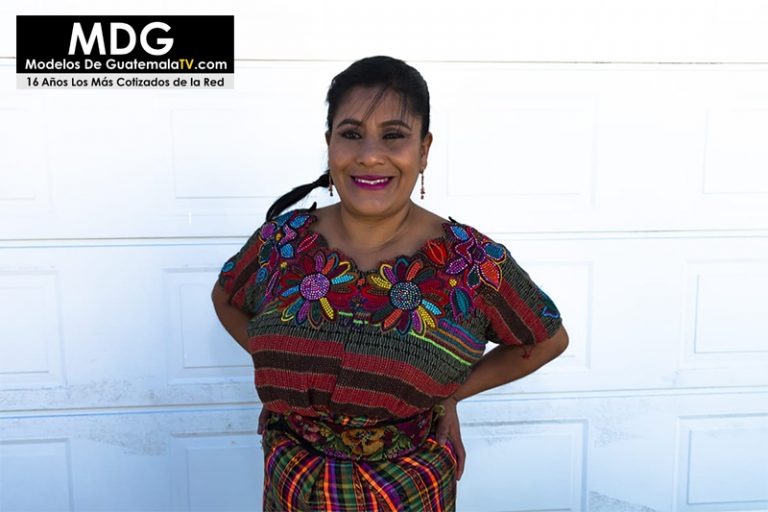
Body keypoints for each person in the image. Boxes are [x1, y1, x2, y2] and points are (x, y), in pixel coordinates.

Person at [211, 55, 568, 511]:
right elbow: (226, 297)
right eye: (351, 134)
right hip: (292, 484)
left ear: (424, 150)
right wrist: (283, 367)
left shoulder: (469, 262)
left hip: (408, 492)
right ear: (329, 144)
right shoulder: (282, 241)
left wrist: (450, 394)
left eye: (393, 135)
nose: (369, 155)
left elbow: (547, 339)